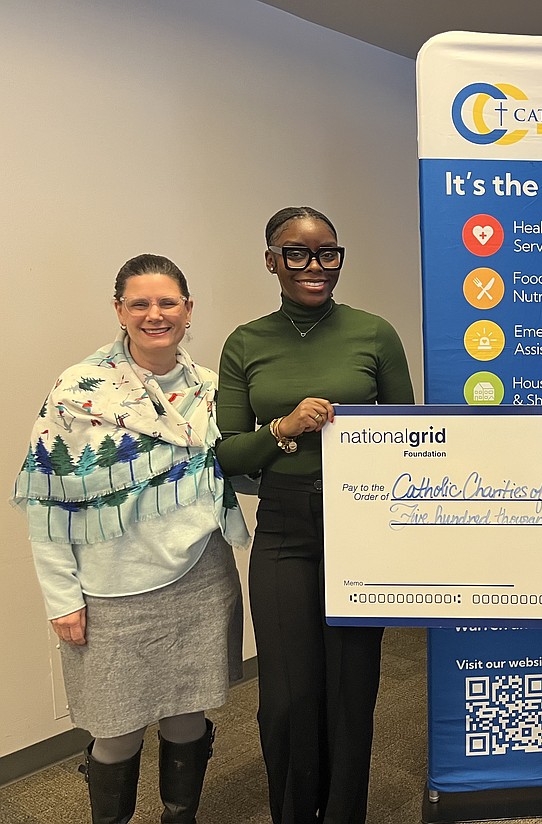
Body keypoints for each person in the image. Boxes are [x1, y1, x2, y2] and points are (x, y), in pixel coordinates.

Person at [12, 254, 249, 824]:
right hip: (111, 589)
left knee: (188, 715)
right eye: (139, 304)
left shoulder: (211, 389)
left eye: (167, 302)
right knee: (114, 730)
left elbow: (238, 463)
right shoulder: (76, 390)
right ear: (119, 311)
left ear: (188, 310)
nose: (154, 314)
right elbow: (47, 498)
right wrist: (62, 597)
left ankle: (179, 816)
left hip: (201, 576)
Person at [215, 206, 414, 824]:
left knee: (352, 690)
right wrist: (283, 427)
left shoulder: (374, 334)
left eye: (328, 252)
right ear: (271, 260)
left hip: (360, 523)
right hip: (285, 526)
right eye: (297, 253)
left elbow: (409, 438)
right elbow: (227, 453)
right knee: (286, 694)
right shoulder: (245, 342)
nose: (315, 266)